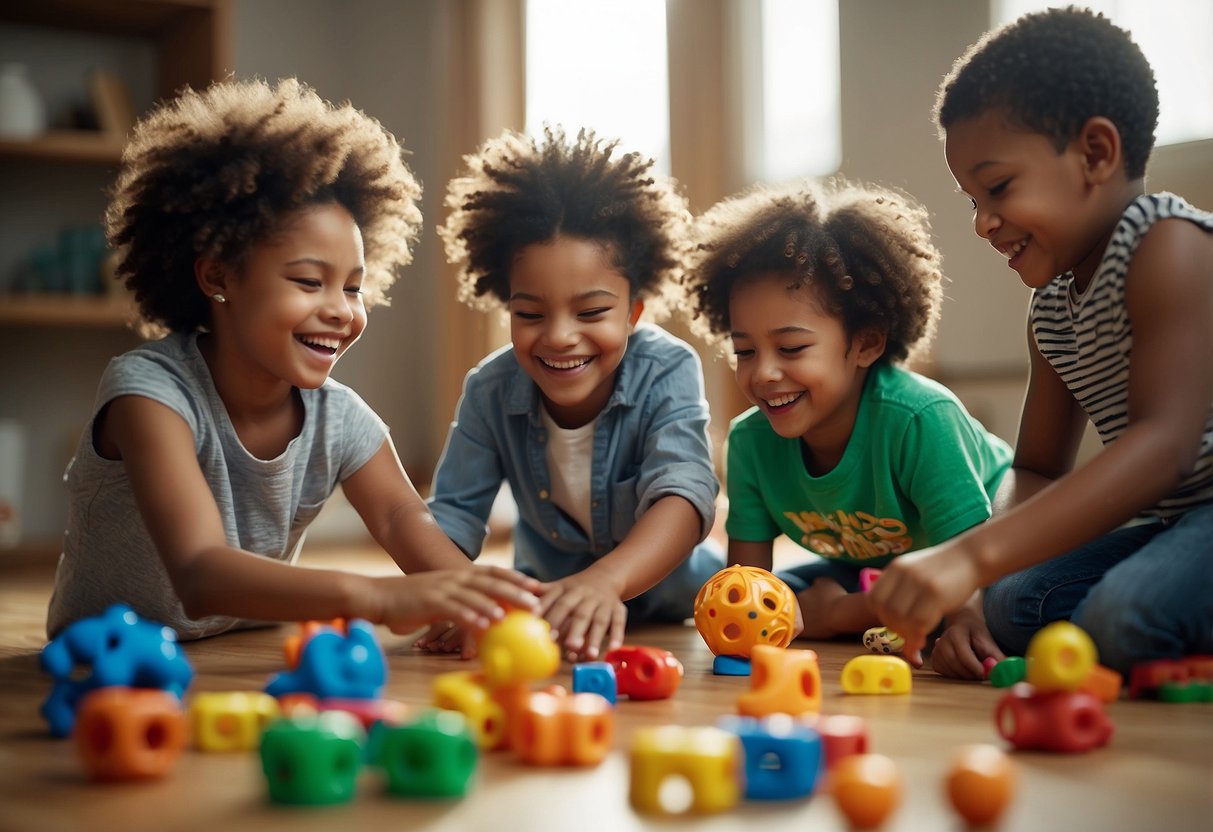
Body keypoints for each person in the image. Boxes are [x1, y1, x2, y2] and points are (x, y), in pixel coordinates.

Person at [46, 78, 540, 642]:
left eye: (353, 288)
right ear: (218, 275)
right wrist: (374, 594)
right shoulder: (149, 395)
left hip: (241, 648)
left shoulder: (340, 418)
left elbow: (403, 518)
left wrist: (476, 602)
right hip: (105, 660)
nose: (340, 310)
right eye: (309, 281)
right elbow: (200, 572)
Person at [868, 6, 1213, 677]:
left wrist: (966, 556)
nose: (982, 223)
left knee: (1120, 618)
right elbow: (1036, 470)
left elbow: (1162, 449)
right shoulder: (1051, 309)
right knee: (1011, 606)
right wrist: (971, 588)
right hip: (1183, 525)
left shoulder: (1171, 248)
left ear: (1094, 153)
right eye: (972, 199)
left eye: (996, 187)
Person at [681, 176, 1013, 677]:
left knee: (1017, 605)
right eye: (744, 350)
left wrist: (840, 614)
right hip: (869, 569)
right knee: (787, 598)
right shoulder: (750, 442)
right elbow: (746, 589)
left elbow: (963, 578)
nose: (764, 372)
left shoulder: (920, 420)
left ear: (866, 344)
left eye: (791, 348)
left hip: (983, 555)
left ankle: (853, 611)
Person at [428, 126, 724, 662]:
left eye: (591, 313)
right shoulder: (489, 390)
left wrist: (607, 580)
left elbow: (684, 493)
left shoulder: (668, 368)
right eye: (531, 314)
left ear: (634, 313)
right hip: (550, 610)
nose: (561, 335)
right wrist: (458, 597)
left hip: (679, 604)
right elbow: (451, 517)